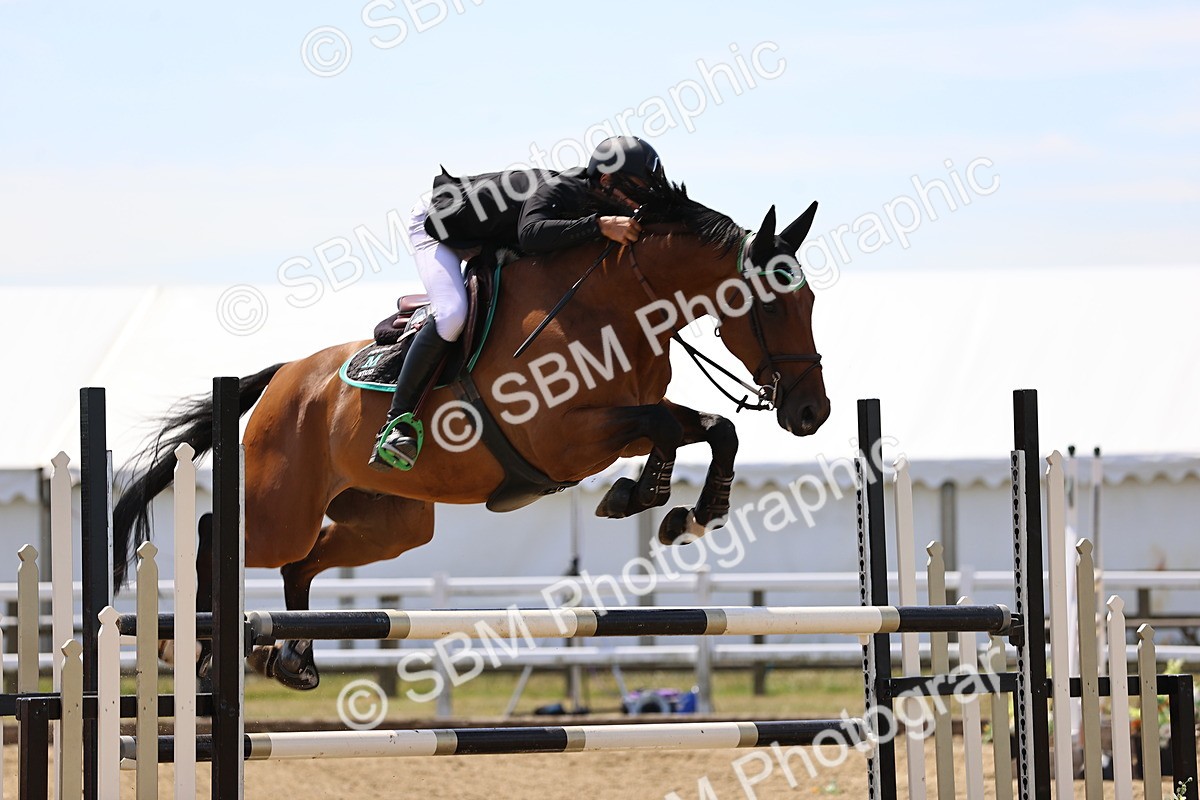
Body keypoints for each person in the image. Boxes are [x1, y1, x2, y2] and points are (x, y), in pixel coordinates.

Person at [370, 136, 667, 471]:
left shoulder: (599, 199)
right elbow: (531, 234)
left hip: (482, 232)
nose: (639, 203)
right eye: (638, 191)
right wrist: (598, 225)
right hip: (436, 225)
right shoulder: (562, 190)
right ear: (606, 181)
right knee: (453, 314)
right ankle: (396, 425)